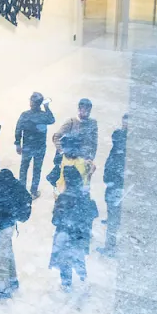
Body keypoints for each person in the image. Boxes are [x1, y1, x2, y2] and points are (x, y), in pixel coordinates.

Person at [0, 149, 32, 299]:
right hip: (9, 224)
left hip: (1, 225)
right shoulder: (6, 177)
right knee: (7, 252)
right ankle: (13, 280)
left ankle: (2, 289)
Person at [51, 166, 99, 292]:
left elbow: (55, 221)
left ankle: (66, 284)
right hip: (79, 235)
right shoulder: (84, 194)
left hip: (65, 235)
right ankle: (83, 278)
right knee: (79, 258)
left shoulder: (63, 198)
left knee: (65, 261)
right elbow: (92, 213)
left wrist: (56, 205)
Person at [98, 114, 128, 257]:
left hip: (118, 182)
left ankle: (110, 247)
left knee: (114, 212)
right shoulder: (119, 141)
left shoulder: (123, 146)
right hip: (114, 181)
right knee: (111, 205)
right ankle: (111, 219)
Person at [15, 93, 55, 199]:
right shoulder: (44, 115)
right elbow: (52, 120)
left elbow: (18, 129)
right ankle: (33, 191)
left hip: (28, 146)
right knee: (37, 170)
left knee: (24, 169)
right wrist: (47, 107)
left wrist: (18, 143)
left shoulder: (25, 115)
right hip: (40, 147)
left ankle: (22, 191)